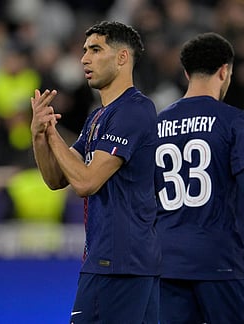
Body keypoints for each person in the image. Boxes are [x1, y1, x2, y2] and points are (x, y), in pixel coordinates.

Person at [31, 21, 160, 324]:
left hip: (118, 262)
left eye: (95, 49)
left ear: (122, 57)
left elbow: (86, 181)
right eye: (84, 50)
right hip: (121, 261)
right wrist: (39, 134)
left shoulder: (133, 110)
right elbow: (56, 179)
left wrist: (52, 136)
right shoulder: (97, 118)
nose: (84, 59)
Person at [155, 32, 244, 323]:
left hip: (166, 260)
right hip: (219, 260)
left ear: (186, 72)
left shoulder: (157, 124)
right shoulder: (235, 120)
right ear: (225, 71)